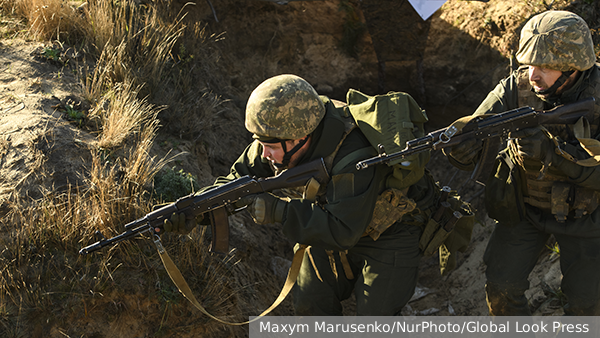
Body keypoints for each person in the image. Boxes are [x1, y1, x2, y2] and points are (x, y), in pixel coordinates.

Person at [166, 74, 438, 315]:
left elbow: (343, 231)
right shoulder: (277, 138)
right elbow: (235, 181)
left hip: (390, 233)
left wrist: (279, 211)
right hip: (328, 219)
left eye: (269, 146)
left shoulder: (352, 155)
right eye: (259, 143)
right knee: (310, 304)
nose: (263, 154)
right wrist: (195, 212)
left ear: (300, 138)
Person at [447, 10, 600, 316]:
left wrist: (553, 154)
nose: (533, 75)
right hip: (526, 209)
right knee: (501, 287)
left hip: (588, 217)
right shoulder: (515, 89)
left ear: (572, 67)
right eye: (529, 64)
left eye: (545, 67)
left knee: (587, 305)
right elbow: (475, 128)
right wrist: (460, 149)